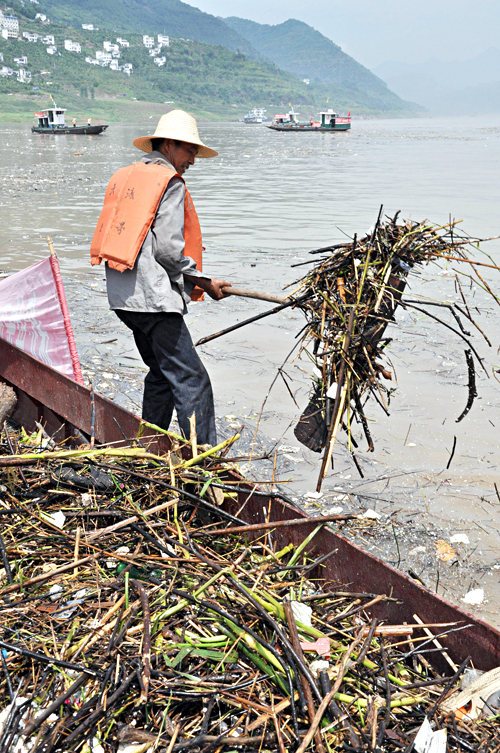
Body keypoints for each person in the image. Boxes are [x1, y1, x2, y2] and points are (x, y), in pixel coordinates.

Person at [90, 109, 231, 446]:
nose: (192, 162)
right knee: (192, 380)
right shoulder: (169, 182)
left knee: (161, 375)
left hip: (124, 299)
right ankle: (206, 464)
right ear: (169, 145)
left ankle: (147, 446)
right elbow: (168, 251)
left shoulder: (127, 175)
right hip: (152, 302)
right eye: (190, 152)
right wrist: (202, 280)